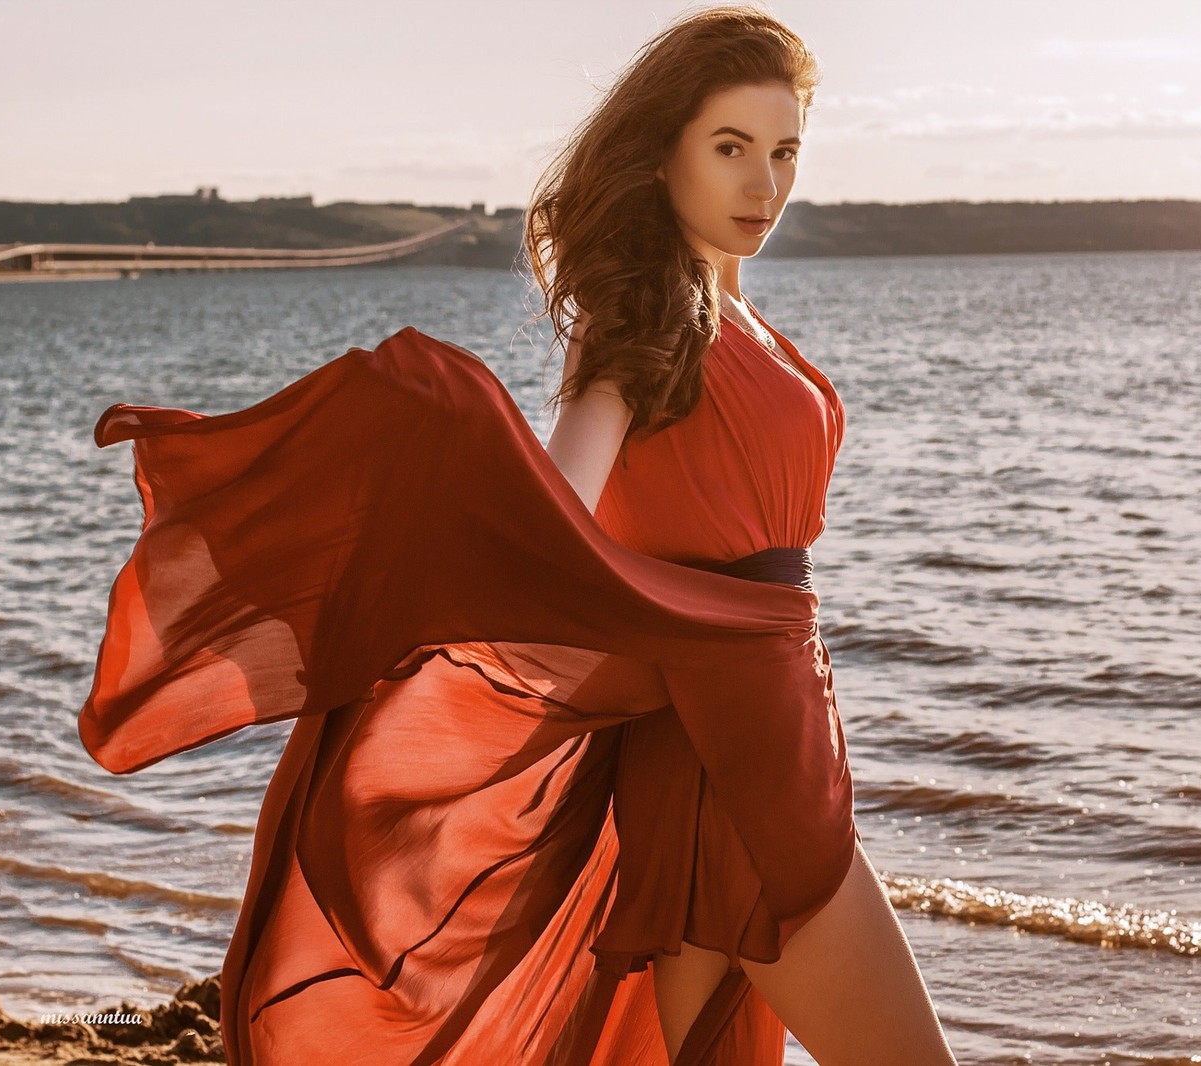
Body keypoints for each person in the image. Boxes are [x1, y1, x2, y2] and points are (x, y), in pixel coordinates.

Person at [77, 5, 958, 1064]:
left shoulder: (745, 323)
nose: (762, 186)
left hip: (751, 742)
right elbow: (556, 507)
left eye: (783, 153)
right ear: (664, 149)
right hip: (742, 766)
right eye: (730, 149)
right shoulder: (637, 325)